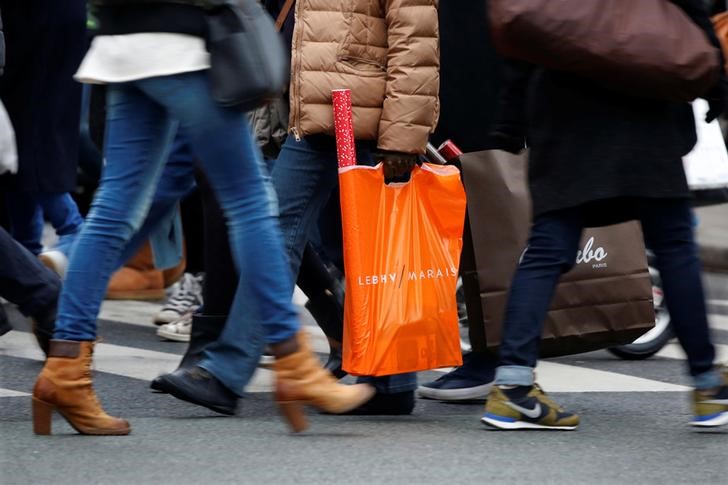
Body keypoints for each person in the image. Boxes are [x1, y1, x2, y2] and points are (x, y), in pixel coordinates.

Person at [31, 0, 373, 437]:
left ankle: (65, 368)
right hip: (184, 42)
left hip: (124, 40)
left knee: (114, 210)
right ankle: (294, 362)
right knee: (251, 201)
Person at [481, 0, 728, 430]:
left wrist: (508, 122)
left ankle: (513, 387)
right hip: (642, 110)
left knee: (547, 247)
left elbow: (522, 29)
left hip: (563, 113)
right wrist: (715, 86)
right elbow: (689, 15)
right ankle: (707, 387)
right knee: (674, 248)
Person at [268, 0, 440, 414]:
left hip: (369, 117)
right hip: (319, 113)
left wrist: (401, 136)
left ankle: (393, 384)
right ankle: (242, 363)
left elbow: (414, 40)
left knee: (380, 256)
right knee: (282, 230)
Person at [0, 0, 87, 263]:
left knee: (32, 136)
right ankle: (28, 251)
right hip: (35, 20)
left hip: (38, 20)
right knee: (17, 140)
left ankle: (76, 238)